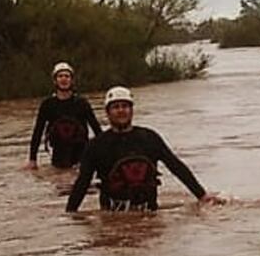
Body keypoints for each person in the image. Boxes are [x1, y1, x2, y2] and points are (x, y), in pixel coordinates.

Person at [65, 86, 218, 212]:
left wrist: (202, 195)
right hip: (113, 215)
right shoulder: (96, 145)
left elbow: (175, 166)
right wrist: (70, 213)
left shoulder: (149, 138)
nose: (121, 111)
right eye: (116, 107)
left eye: (125, 106)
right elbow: (83, 182)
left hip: (150, 212)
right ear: (108, 112)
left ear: (131, 110)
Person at [25, 62, 102, 170]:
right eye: (60, 76)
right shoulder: (47, 105)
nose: (64, 79)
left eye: (67, 76)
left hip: (81, 154)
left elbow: (96, 129)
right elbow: (38, 132)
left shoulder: (82, 103)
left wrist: (102, 155)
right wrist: (32, 159)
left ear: (72, 80)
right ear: (55, 80)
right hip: (58, 154)